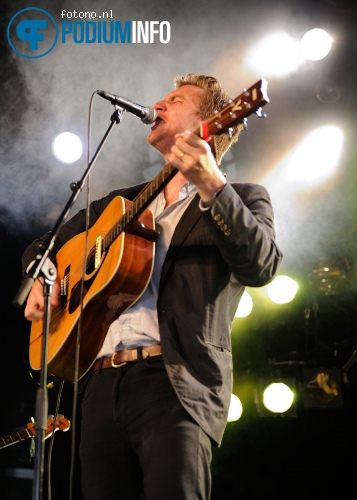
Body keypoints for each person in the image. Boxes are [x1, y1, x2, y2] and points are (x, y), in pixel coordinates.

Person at [22, 73, 283, 500]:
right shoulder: (120, 203)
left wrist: (210, 183)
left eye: (174, 100)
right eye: (160, 98)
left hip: (176, 384)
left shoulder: (243, 196)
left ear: (212, 121)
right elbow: (44, 246)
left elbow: (262, 265)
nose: (157, 105)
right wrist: (41, 275)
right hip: (101, 386)